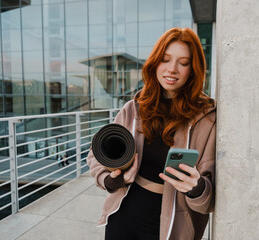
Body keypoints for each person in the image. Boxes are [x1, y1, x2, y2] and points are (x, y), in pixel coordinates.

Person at [87, 27, 216, 240]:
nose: (172, 69)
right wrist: (110, 181)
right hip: (124, 214)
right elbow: (96, 153)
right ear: (155, 62)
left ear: (193, 69)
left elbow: (209, 198)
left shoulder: (207, 118)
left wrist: (197, 188)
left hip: (173, 224)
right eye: (165, 60)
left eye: (183, 63)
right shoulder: (134, 108)